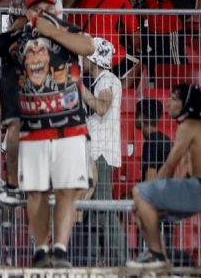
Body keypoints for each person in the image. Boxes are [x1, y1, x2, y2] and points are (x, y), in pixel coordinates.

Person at [0, 0, 96, 268]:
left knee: (68, 192)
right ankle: (38, 247)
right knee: (36, 194)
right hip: (31, 134)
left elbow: (88, 48)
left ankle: (61, 250)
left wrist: (52, 33)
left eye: (46, 6)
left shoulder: (66, 35)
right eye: (35, 7)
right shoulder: (17, 44)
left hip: (64, 129)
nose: (41, 12)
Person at [127, 83, 201, 270]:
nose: (167, 103)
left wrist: (148, 194)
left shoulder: (188, 125)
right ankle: (160, 256)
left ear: (185, 104)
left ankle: (157, 255)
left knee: (139, 193)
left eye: (173, 99)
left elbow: (170, 166)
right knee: (145, 212)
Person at [81, 37, 125, 266]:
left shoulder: (106, 80)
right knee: (94, 213)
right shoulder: (105, 80)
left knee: (104, 212)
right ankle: (95, 262)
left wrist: (79, 88)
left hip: (101, 155)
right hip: (98, 154)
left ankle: (120, 262)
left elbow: (101, 106)